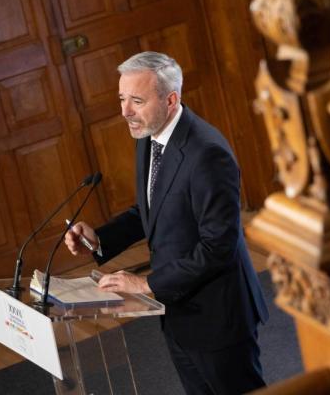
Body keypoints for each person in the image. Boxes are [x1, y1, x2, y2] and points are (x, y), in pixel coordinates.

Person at [65, 51, 269, 394]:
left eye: (136, 100)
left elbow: (217, 247)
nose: (125, 111)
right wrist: (99, 239)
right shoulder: (150, 135)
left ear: (170, 99)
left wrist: (146, 284)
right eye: (122, 99)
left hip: (218, 318)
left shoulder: (207, 154)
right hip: (178, 314)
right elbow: (151, 209)